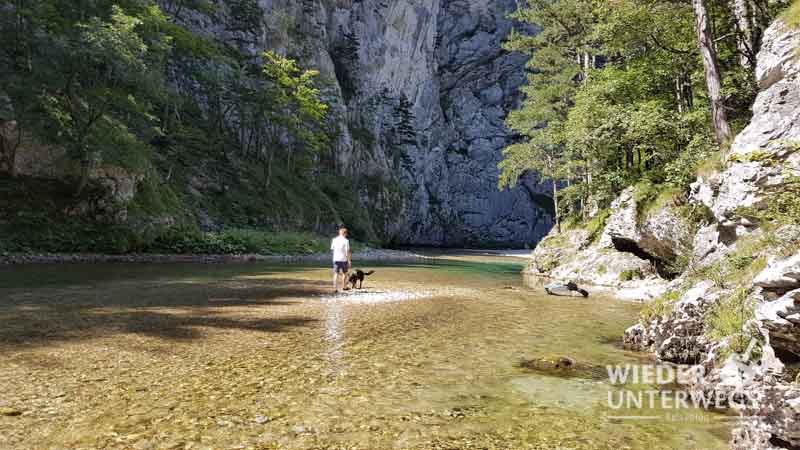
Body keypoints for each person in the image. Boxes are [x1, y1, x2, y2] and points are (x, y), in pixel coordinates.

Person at [331, 227, 352, 292]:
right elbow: (347, 251)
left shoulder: (334, 239)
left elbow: (332, 249)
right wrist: (349, 260)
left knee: (336, 273)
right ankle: (344, 287)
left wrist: (334, 257)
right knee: (345, 273)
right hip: (343, 259)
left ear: (339, 233)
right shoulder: (346, 241)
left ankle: (335, 288)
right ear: (345, 234)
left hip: (336, 259)